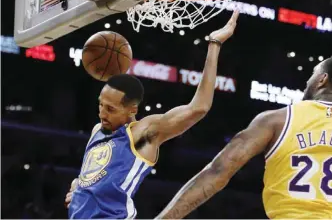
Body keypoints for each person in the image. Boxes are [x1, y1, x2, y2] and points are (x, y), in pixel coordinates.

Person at [156, 54, 332, 219]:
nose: (307, 80)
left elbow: (217, 172)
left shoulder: (275, 121)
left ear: (322, 79)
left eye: (312, 74)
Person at [64, 11, 240, 219]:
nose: (102, 113)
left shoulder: (144, 133)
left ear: (132, 111)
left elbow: (199, 107)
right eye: (101, 105)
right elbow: (93, 174)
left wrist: (214, 44)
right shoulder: (97, 130)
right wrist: (78, 186)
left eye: (111, 109)